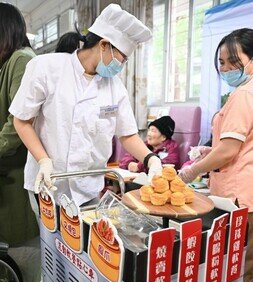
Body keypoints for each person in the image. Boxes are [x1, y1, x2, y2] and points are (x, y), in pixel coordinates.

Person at [11, 4, 163, 208]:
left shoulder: (115, 87)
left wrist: (151, 158)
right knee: (51, 240)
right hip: (49, 183)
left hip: (88, 188)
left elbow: (127, 134)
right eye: (122, 58)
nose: (121, 65)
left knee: (89, 239)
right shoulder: (46, 68)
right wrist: (43, 160)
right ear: (104, 45)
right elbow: (21, 120)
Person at [179, 28, 253, 282]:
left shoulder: (243, 95)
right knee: (247, 261)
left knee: (238, 263)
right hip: (243, 190)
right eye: (221, 62)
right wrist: (212, 152)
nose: (225, 69)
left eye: (233, 61)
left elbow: (230, 150)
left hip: (240, 197)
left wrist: (191, 171)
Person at [0, 2, 41, 282]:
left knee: (20, 231)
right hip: (7, 166)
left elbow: (18, 122)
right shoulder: (8, 63)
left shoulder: (22, 60)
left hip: (18, 166)